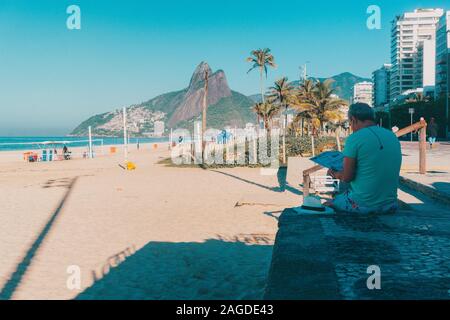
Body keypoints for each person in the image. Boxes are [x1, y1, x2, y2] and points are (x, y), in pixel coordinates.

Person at [325, 103, 402, 214]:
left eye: (350, 123)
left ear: (353, 119)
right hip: (390, 204)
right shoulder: (391, 136)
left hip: (364, 205)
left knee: (327, 204)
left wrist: (334, 174)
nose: (351, 126)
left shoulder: (354, 138)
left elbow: (347, 177)